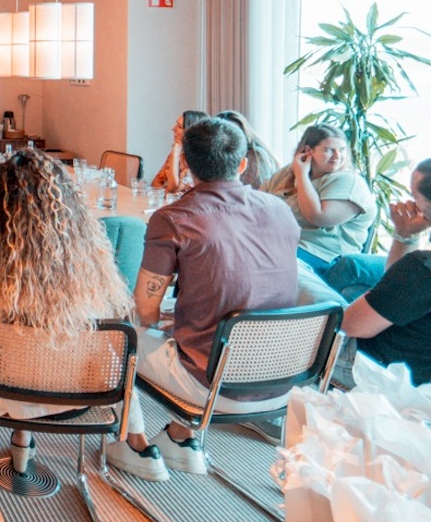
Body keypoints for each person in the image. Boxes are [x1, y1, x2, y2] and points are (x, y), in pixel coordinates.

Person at [0, 148, 169, 482]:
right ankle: (137, 441)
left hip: (0, 393)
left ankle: (22, 436)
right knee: (107, 343)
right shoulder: (94, 267)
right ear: (68, 207)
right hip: (85, 391)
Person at [134, 117, 300, 473]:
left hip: (215, 382)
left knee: (125, 335)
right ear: (242, 164)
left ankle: (134, 448)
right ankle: (181, 437)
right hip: (286, 377)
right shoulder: (281, 211)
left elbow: (145, 309)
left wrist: (166, 322)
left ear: (189, 167)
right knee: (205, 333)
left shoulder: (173, 218)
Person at [340, 159, 431, 384]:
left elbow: (350, 326)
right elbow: (395, 287)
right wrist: (405, 235)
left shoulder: (422, 268)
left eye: (415, 198)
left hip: (382, 374)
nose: (412, 205)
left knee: (307, 304)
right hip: (421, 376)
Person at [265, 124, 376, 278]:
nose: (337, 155)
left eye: (342, 150)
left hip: (321, 254)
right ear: (308, 151)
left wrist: (302, 175)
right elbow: (258, 202)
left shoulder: (348, 181)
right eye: (329, 150)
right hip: (280, 244)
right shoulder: (288, 173)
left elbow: (317, 217)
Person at [216, 109, 279, 189]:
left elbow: (253, 194)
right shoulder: (217, 156)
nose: (227, 139)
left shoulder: (256, 157)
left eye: (233, 134)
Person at [151, 110, 208, 194]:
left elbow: (172, 188)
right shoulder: (177, 154)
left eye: (179, 126)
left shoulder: (201, 160)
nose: (173, 128)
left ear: (191, 132)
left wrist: (175, 153)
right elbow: (155, 184)